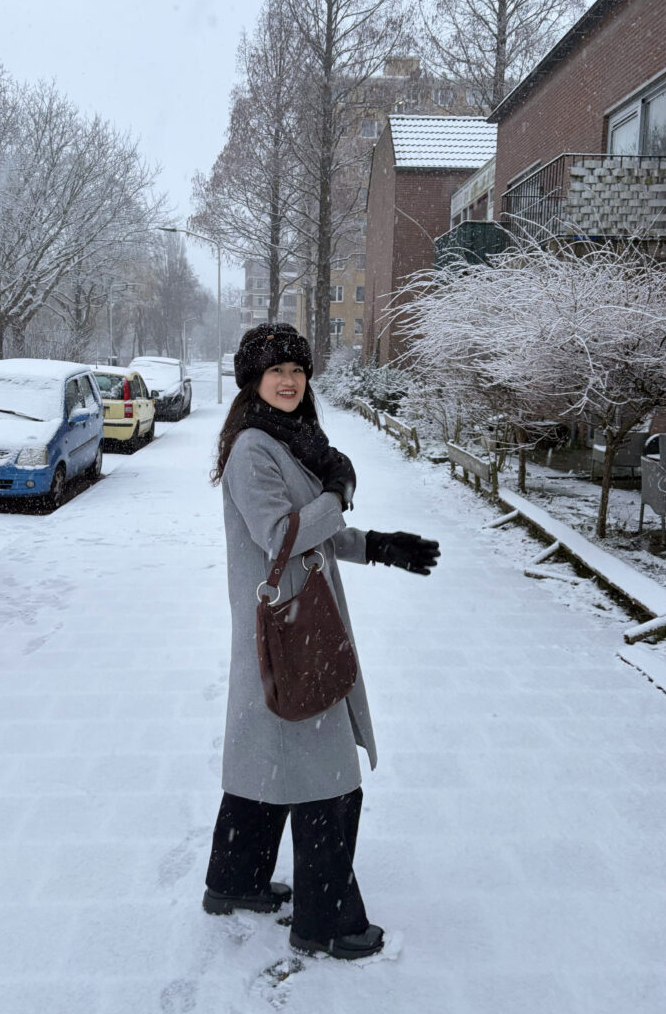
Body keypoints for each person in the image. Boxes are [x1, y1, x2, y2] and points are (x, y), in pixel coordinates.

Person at [203, 323, 440, 960]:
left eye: (297, 371)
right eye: (275, 370)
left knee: (264, 757)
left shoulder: (294, 442)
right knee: (330, 781)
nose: (288, 381)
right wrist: (338, 492)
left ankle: (235, 880)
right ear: (251, 379)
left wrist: (378, 546)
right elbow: (281, 533)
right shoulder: (254, 447)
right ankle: (327, 923)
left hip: (290, 627)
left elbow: (314, 531)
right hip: (288, 636)